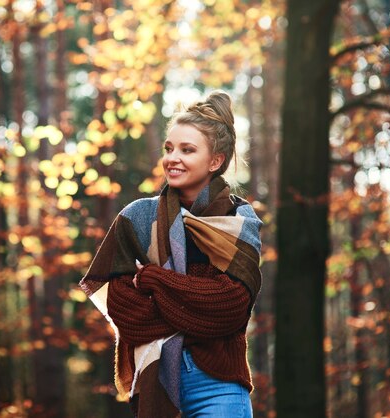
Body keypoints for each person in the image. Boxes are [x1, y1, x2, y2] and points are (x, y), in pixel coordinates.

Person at [80, 91, 263, 418]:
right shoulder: (137, 217)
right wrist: (194, 304)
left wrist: (153, 279)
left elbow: (231, 307)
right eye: (169, 148)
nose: (172, 158)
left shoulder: (239, 220)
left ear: (215, 160)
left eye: (187, 150)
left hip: (219, 384)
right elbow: (115, 301)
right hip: (156, 381)